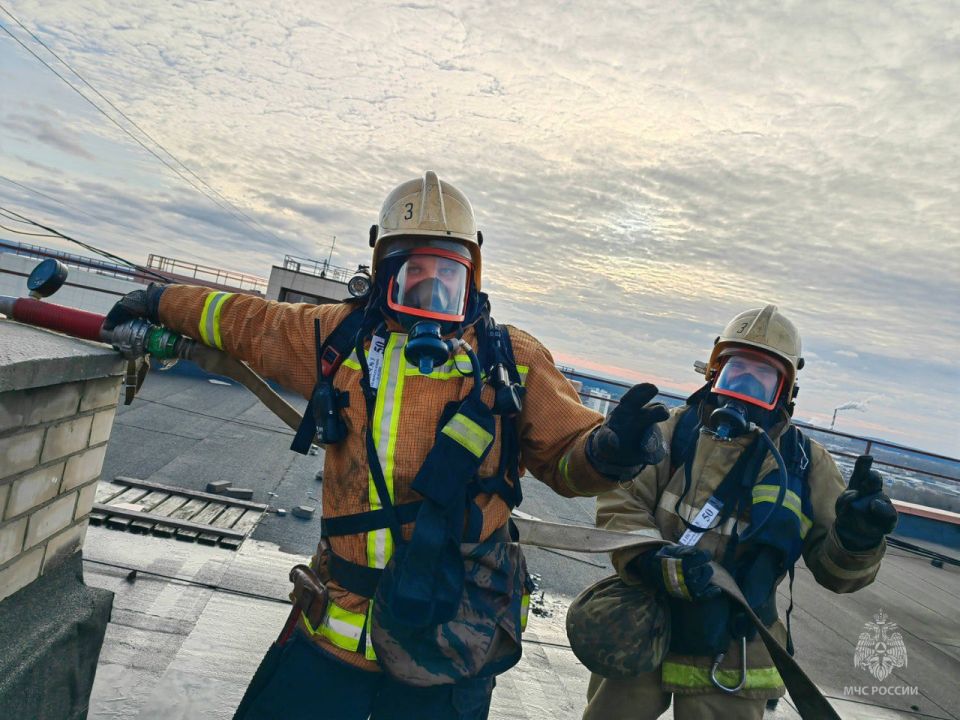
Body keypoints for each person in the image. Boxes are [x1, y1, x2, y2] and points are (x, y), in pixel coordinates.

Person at [103, 170, 670, 720]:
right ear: (382, 270)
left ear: (471, 276)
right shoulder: (338, 336)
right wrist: (159, 302)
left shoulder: (510, 359)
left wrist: (607, 452)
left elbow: (567, 460)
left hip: (452, 640)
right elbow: (250, 322)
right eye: (411, 273)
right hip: (335, 633)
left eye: (446, 278)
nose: (429, 292)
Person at [582, 304, 897, 720]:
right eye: (736, 372)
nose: (743, 386)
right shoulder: (672, 433)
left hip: (735, 650)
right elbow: (621, 503)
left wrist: (857, 540)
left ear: (785, 393)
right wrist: (651, 559)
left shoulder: (805, 465)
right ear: (713, 374)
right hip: (645, 626)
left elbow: (837, 574)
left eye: (761, 380)